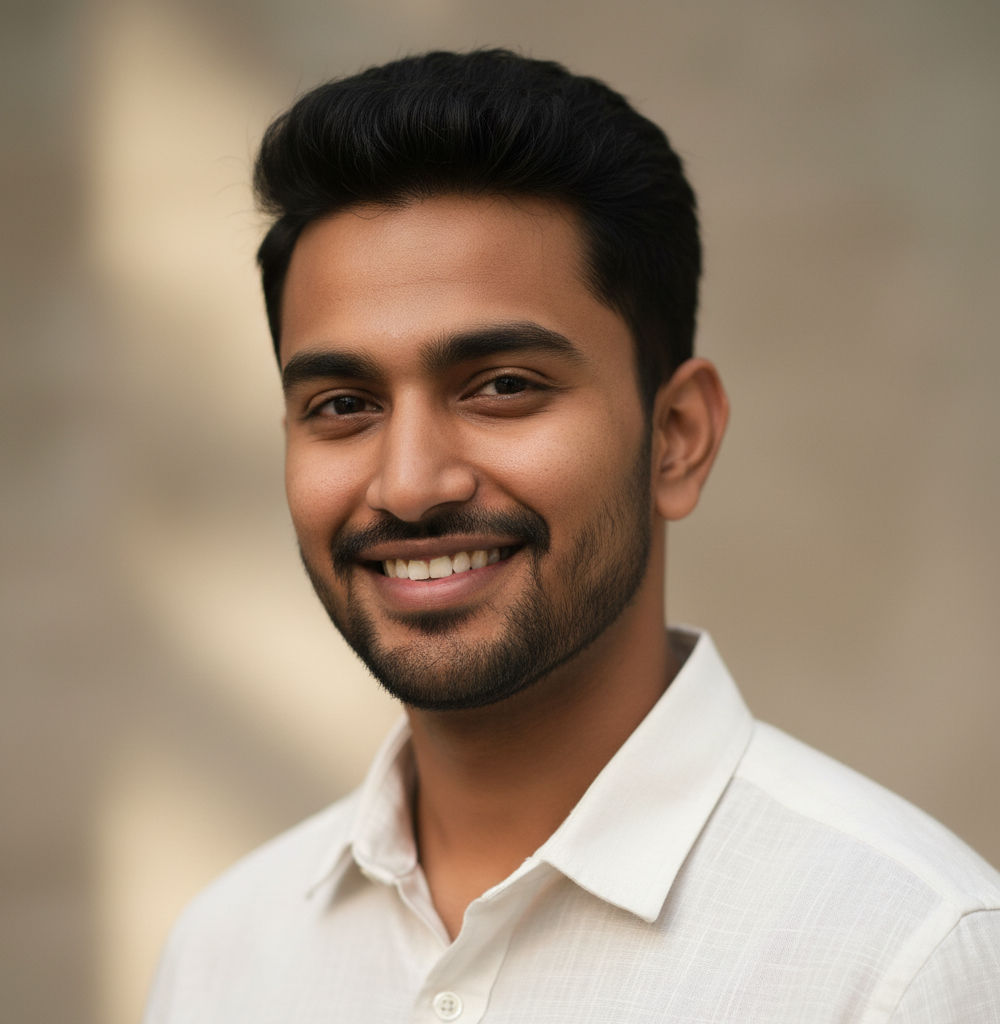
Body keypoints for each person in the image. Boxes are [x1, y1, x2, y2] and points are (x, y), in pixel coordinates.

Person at [144, 50, 1000, 1022]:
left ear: (675, 438)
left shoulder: (906, 960)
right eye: (343, 403)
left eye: (502, 385)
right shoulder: (221, 954)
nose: (411, 484)